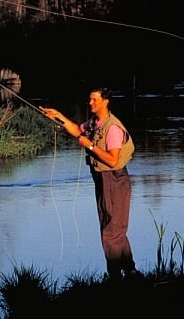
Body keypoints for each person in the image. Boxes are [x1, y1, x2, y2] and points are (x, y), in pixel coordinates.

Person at [39, 87, 140, 282]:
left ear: (105, 101)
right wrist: (58, 116)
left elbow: (112, 160)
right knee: (113, 227)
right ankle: (130, 272)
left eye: (94, 100)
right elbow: (77, 130)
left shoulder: (112, 128)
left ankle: (115, 276)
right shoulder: (95, 122)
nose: (90, 103)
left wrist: (91, 146)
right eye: (89, 99)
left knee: (111, 231)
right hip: (103, 179)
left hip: (114, 179)